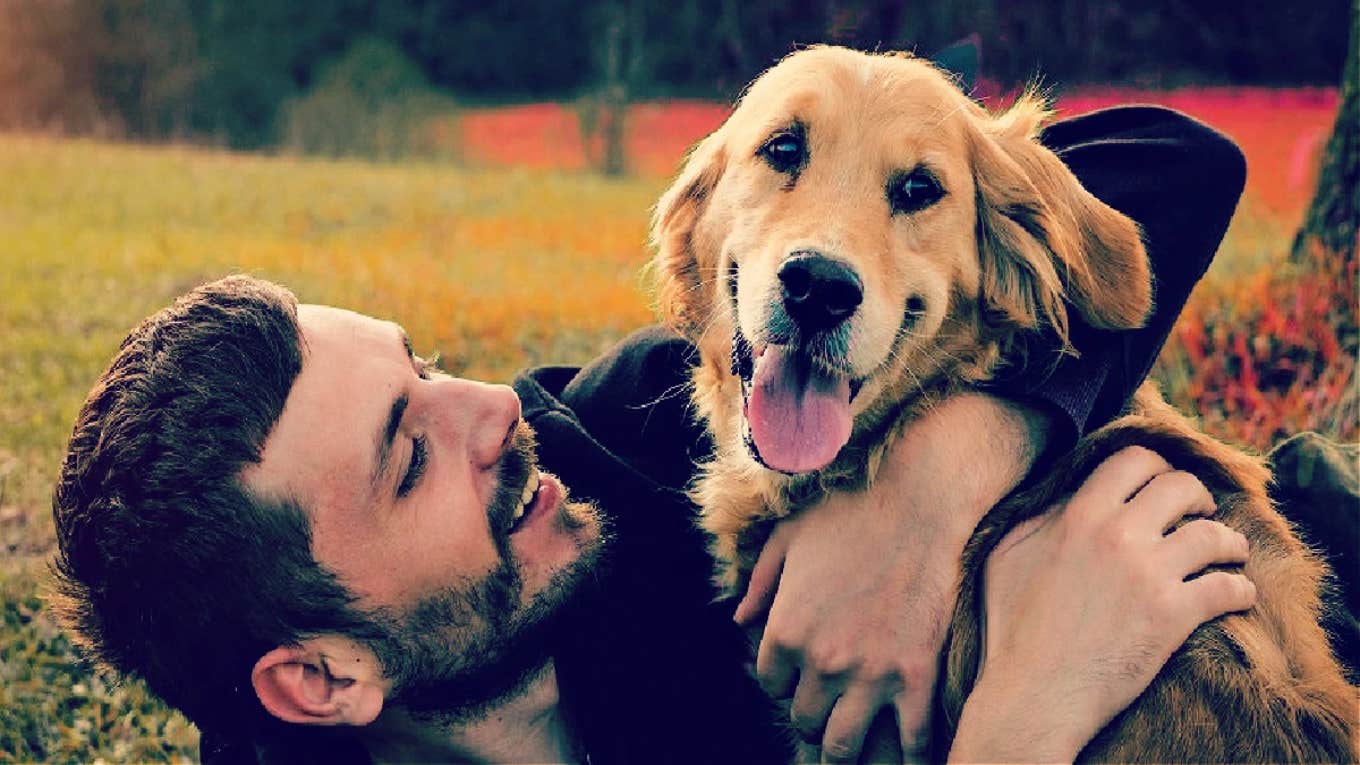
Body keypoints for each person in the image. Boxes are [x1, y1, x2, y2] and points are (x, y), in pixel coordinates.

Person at [48, 106, 1305, 763]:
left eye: (421, 364)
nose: (491, 409)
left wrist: (937, 481)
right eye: (408, 455)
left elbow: (1170, 168)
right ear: (321, 682)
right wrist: (1029, 716)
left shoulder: (617, 435)